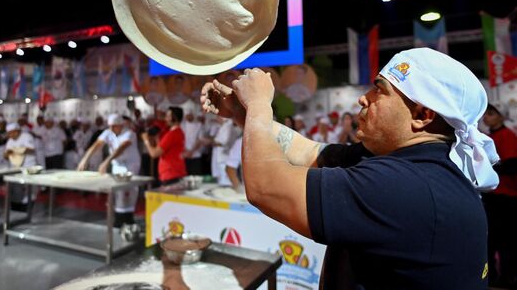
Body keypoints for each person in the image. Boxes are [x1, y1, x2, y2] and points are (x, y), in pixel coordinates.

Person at [201, 48, 499, 289]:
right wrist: (244, 115)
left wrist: (259, 107)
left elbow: (267, 188)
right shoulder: (408, 160)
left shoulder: (409, 186)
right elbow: (309, 152)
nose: (362, 98)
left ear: (422, 115)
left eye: (378, 90)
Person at [77, 114, 141, 227]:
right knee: (117, 192)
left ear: (121, 125)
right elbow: (96, 145)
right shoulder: (108, 132)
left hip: (130, 165)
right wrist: (85, 159)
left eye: (114, 126)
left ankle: (128, 218)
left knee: (129, 192)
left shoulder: (130, 134)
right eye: (110, 126)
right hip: (117, 165)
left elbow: (120, 149)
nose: (111, 129)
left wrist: (106, 161)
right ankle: (119, 218)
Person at [481, 101, 517, 287]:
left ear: (502, 116)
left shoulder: (507, 136)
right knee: (492, 239)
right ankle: (494, 276)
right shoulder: (488, 136)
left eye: (492, 114)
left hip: (505, 197)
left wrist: (486, 166)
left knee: (504, 240)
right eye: (486, 114)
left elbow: (511, 165)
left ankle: (507, 277)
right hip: (492, 195)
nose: (487, 117)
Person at [141, 106, 186, 185]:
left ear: (174, 118)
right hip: (174, 172)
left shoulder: (172, 134)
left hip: (170, 174)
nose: (165, 119)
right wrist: (157, 139)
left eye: (168, 116)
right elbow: (163, 149)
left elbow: (154, 154)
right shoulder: (178, 132)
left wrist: (146, 141)